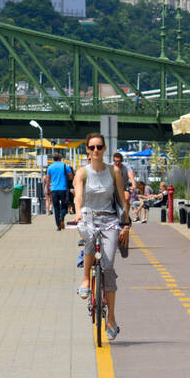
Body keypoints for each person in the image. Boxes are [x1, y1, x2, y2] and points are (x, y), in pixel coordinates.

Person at [69, 132, 131, 340]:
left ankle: (111, 319)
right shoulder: (82, 173)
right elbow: (78, 196)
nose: (95, 150)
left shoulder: (114, 172)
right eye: (92, 147)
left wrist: (125, 224)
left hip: (110, 219)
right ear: (87, 150)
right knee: (88, 238)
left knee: (109, 266)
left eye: (99, 147)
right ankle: (86, 279)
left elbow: (122, 199)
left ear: (104, 149)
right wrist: (78, 213)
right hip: (87, 216)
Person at [44, 151, 74, 231]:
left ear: (53, 159)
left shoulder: (50, 167)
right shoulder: (65, 166)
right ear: (60, 158)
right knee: (64, 206)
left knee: (56, 208)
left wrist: (48, 189)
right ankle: (62, 217)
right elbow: (71, 177)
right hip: (63, 189)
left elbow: (48, 179)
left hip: (54, 189)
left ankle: (58, 226)